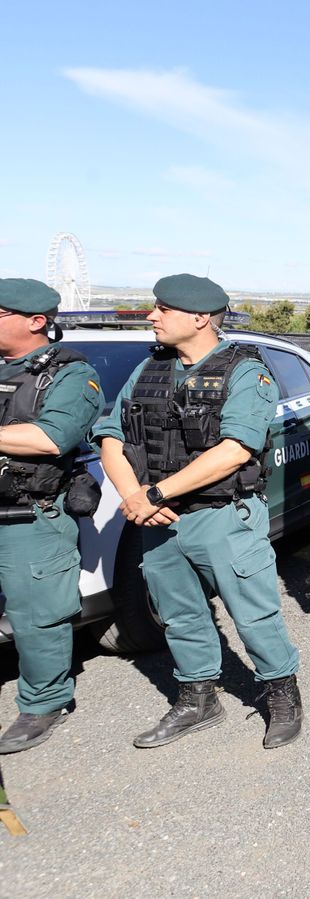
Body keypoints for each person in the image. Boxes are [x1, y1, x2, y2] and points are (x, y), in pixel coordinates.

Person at [93, 274, 305, 750]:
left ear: (200, 318)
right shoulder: (150, 369)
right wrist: (134, 496)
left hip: (224, 516)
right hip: (159, 519)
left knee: (254, 614)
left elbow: (235, 449)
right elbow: (111, 435)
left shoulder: (246, 371)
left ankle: (283, 694)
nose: (152, 316)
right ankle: (198, 698)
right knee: (179, 613)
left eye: (163, 309)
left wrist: (153, 495)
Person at [0, 280, 102, 754]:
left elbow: (50, 439)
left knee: (37, 614)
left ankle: (44, 703)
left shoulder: (70, 375)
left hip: (28, 515)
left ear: (35, 321)